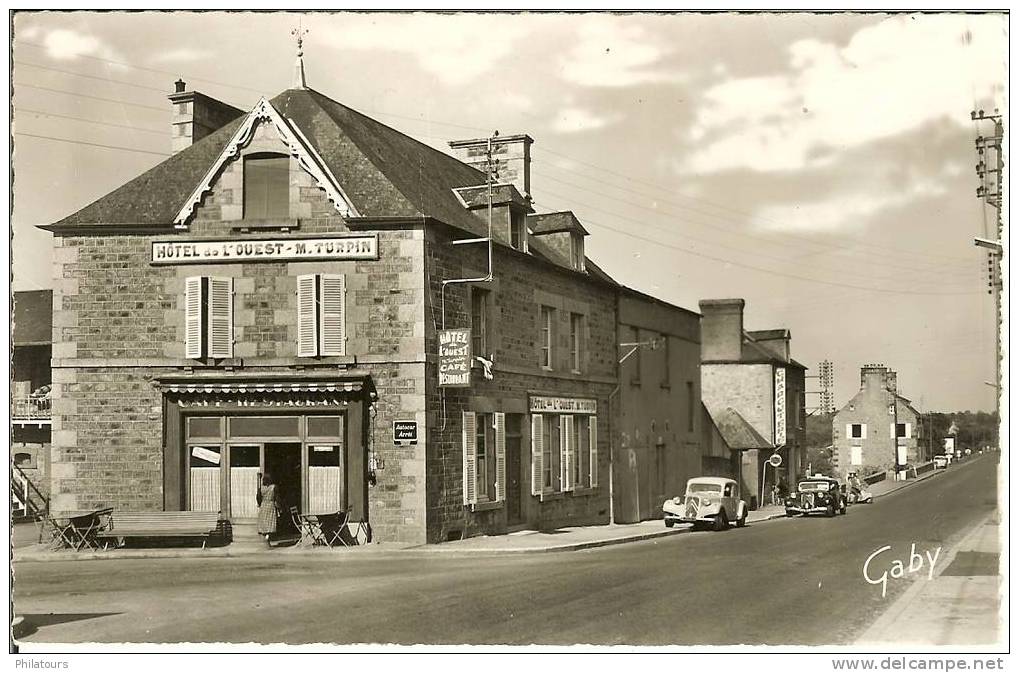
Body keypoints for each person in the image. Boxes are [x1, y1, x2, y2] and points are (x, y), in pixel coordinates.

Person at [256, 472, 279, 544]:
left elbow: (258, 498)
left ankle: (266, 538)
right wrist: (278, 506)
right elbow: (277, 498)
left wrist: (260, 504)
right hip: (270, 506)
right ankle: (268, 537)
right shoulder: (274, 487)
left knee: (264, 523)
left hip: (263, 506)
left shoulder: (261, 489)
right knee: (270, 523)